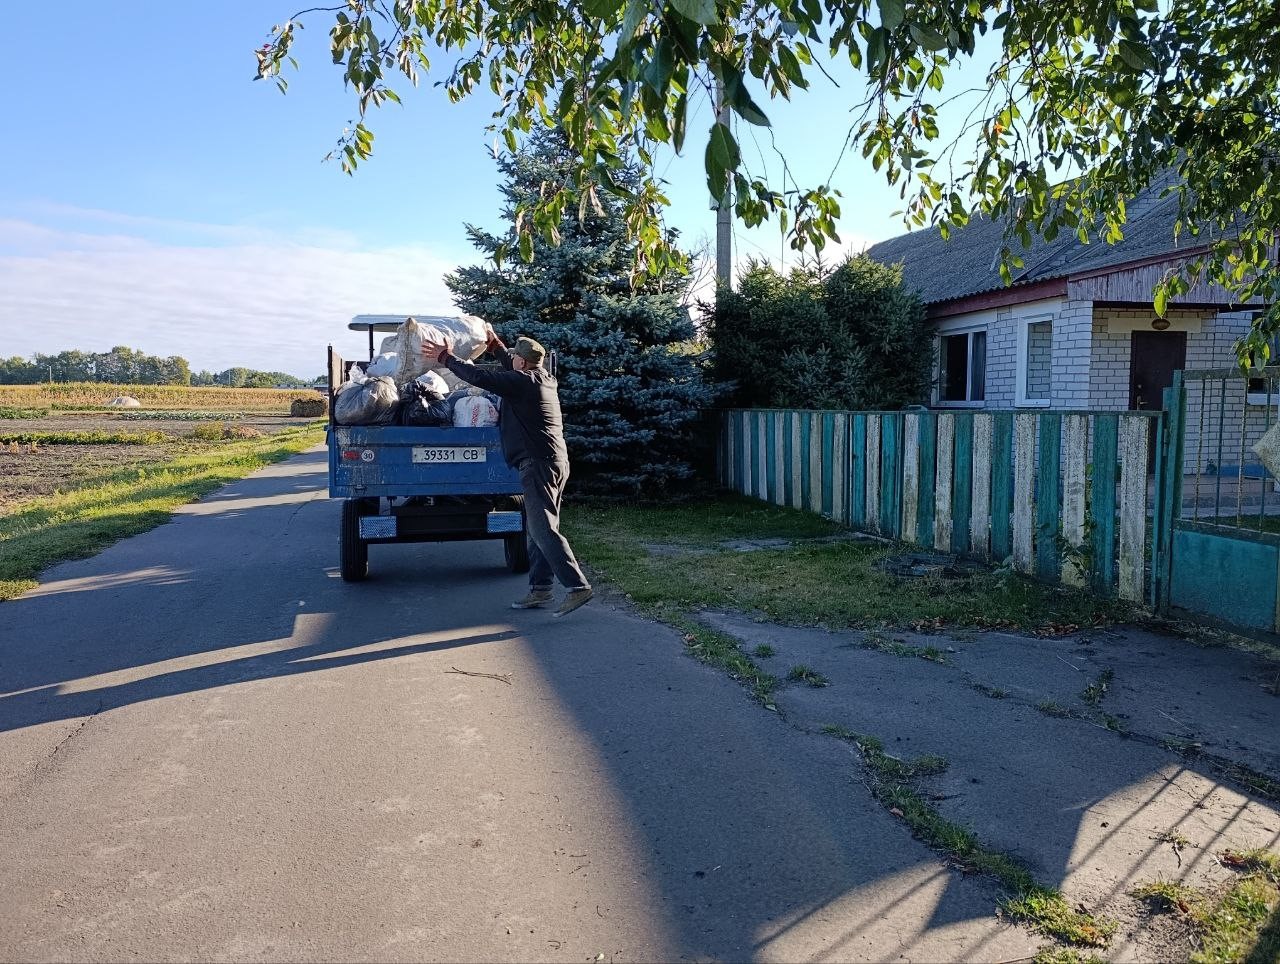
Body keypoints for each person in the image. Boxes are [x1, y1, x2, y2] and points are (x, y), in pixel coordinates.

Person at [420, 324, 593, 617]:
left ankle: (577, 586)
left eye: (514, 357)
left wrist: (445, 357)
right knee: (539, 528)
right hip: (553, 461)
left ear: (522, 363)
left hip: (538, 464)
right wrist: (496, 346)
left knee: (542, 529)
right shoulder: (543, 378)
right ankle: (541, 589)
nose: (510, 359)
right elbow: (510, 366)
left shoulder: (521, 382)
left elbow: (479, 377)